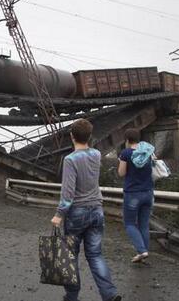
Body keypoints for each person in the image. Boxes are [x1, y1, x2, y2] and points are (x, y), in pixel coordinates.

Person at [51, 119, 121, 301]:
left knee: (70, 257)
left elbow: (68, 193)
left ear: (72, 136)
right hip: (97, 210)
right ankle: (109, 294)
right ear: (90, 136)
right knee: (95, 254)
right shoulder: (97, 154)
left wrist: (59, 215)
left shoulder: (70, 160)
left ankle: (72, 296)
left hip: (77, 214)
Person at [118, 128, 155, 263]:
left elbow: (121, 173)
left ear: (127, 140)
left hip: (133, 193)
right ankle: (143, 253)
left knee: (129, 223)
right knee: (144, 225)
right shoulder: (147, 152)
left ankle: (141, 250)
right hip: (148, 192)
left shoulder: (126, 153)